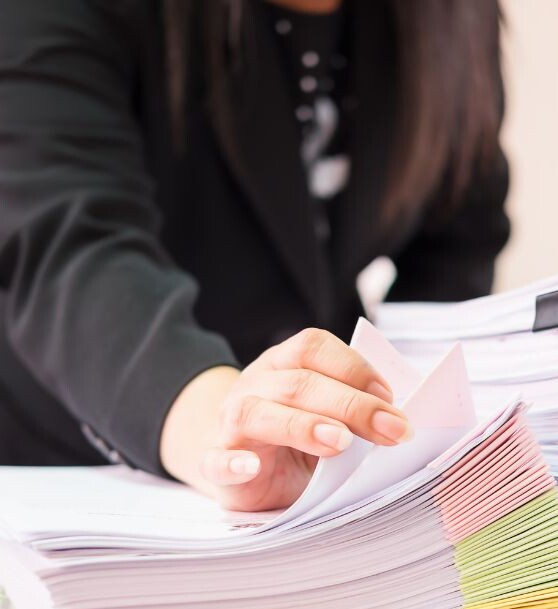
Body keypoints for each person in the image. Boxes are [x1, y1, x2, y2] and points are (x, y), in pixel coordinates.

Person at [0, 0, 509, 511]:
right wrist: (228, 431)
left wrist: (401, 416)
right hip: (72, 467)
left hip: (321, 486)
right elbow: (67, 241)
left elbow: (458, 241)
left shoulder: (450, 16)